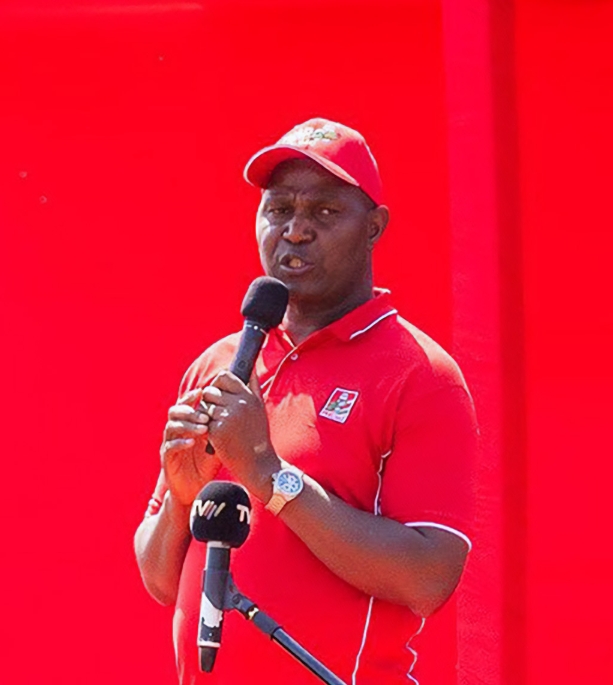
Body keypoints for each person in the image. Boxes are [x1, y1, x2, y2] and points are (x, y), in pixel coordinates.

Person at [133, 118, 478, 684]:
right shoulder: (216, 365)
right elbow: (160, 578)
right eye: (279, 209)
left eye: (323, 212)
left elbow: (428, 578)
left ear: (374, 227)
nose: (294, 231)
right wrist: (181, 498)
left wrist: (268, 474)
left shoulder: (421, 375)